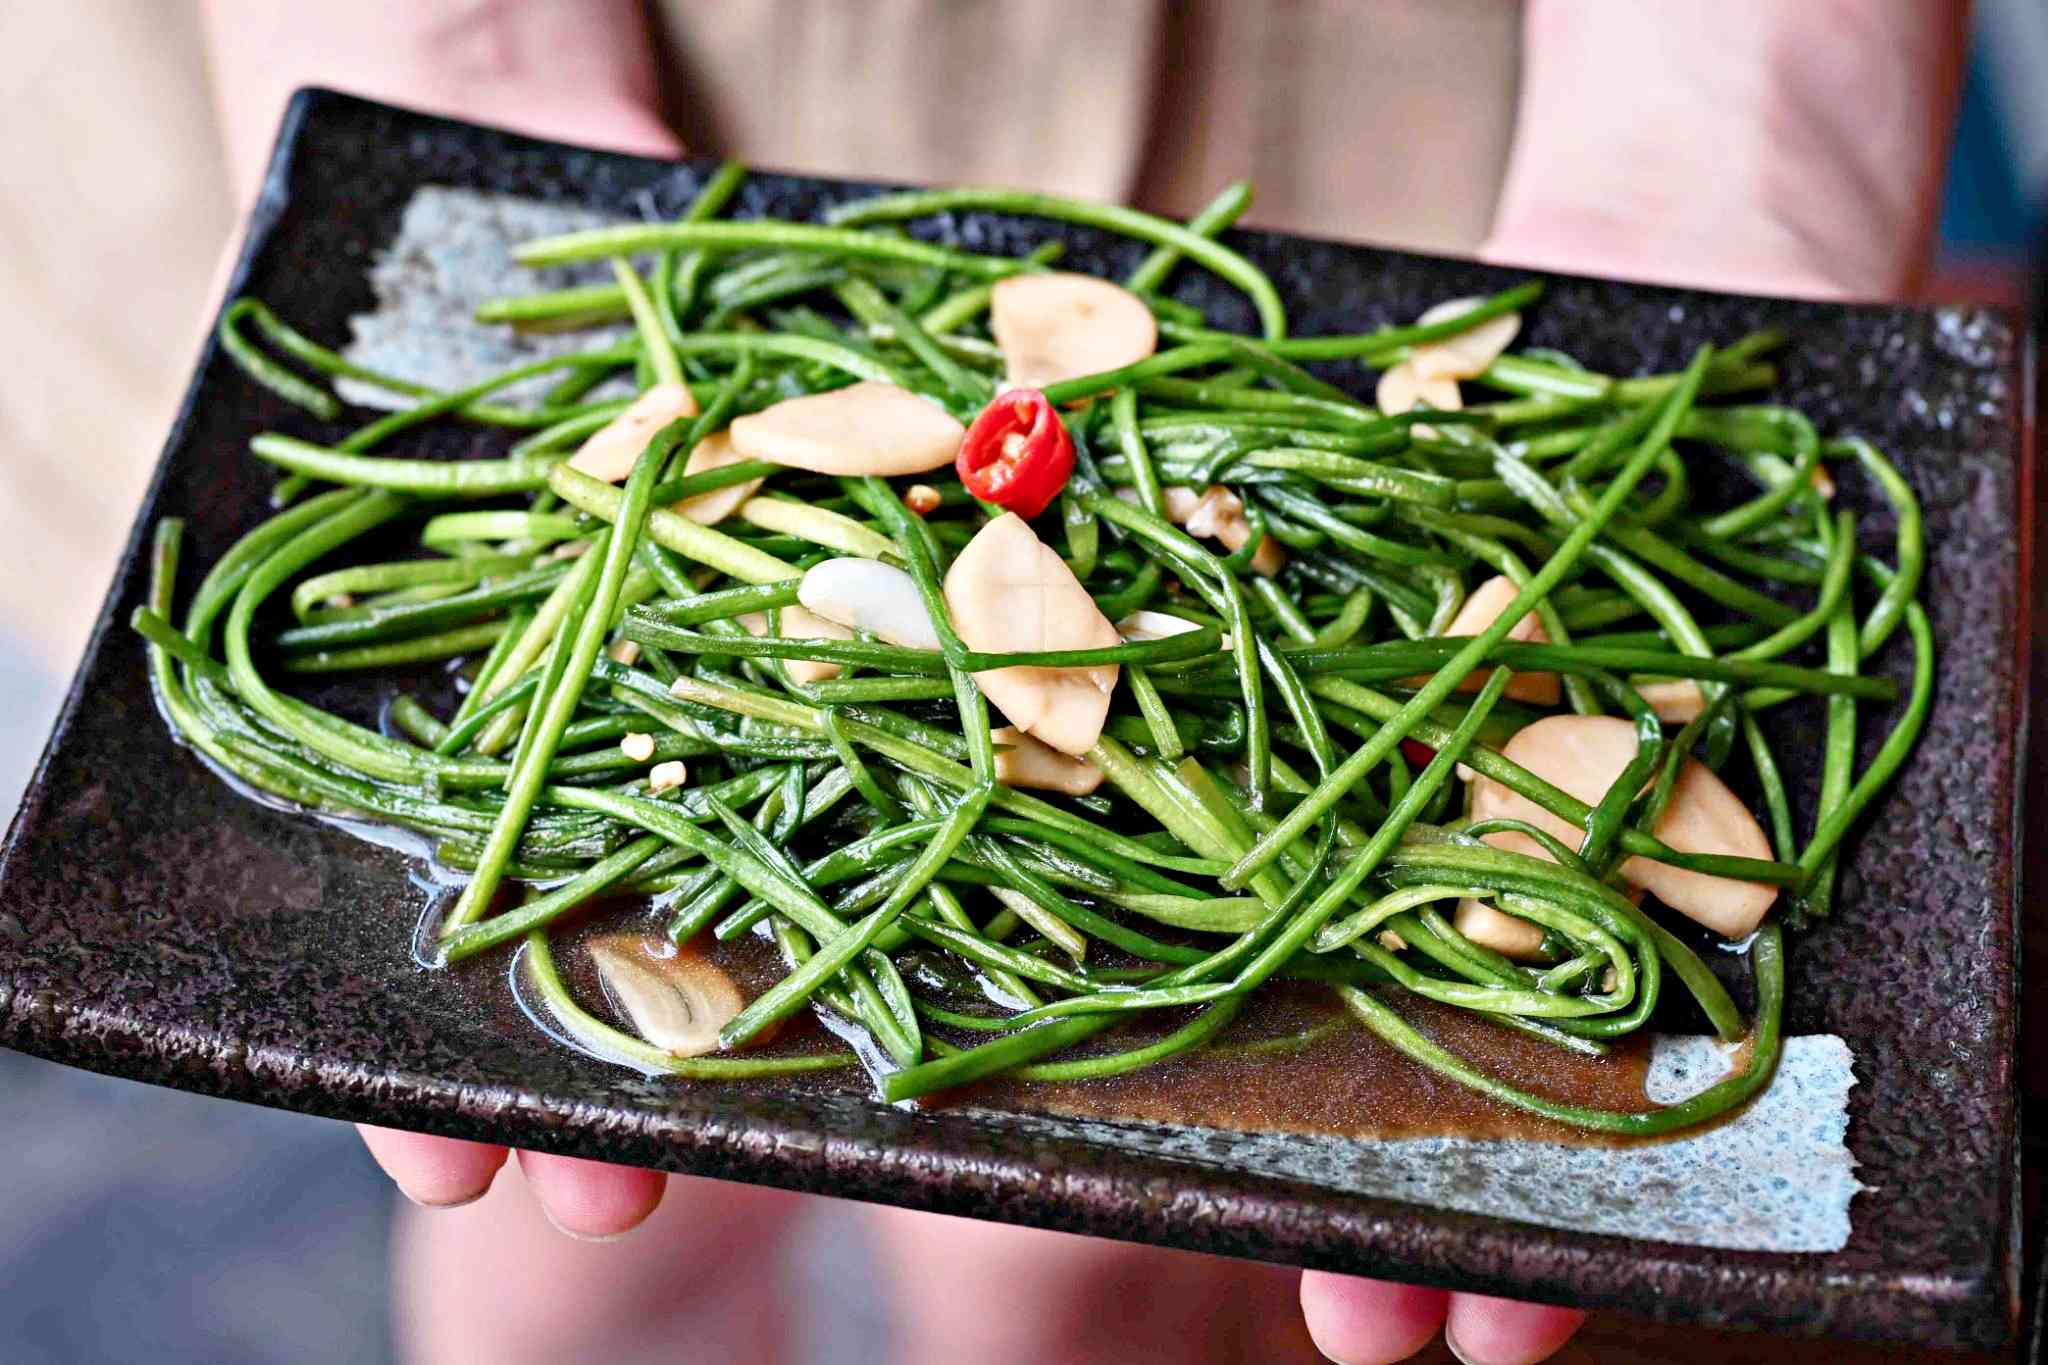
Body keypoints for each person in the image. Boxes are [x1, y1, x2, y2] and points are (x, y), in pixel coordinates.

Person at [200, 4, 1966, 1361]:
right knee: (575, 1251)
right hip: (667, 74)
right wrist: (440, 48)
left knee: (1078, 1254)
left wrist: (1747, 133)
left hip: (1369, 100)